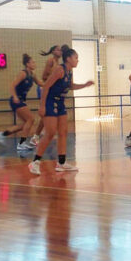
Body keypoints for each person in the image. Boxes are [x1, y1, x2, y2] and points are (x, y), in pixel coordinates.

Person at [29, 45, 94, 175]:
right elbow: (46, 86)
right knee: (50, 133)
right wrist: (42, 106)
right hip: (50, 101)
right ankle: (35, 162)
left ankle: (62, 162)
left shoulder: (69, 71)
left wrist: (85, 85)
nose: (77, 60)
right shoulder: (60, 69)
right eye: (76, 58)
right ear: (68, 58)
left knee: (63, 132)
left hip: (60, 102)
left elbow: (71, 86)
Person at [0, 54, 40, 151]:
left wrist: (53, 81)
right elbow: (12, 85)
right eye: (33, 62)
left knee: (26, 124)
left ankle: (3, 134)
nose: (34, 63)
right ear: (27, 64)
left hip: (21, 100)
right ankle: (21, 144)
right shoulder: (23, 73)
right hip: (16, 100)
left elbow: (41, 84)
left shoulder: (33, 75)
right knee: (31, 119)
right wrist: (15, 96)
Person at [32, 45, 63, 146]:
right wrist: (54, 78)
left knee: (52, 112)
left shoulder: (58, 63)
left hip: (51, 89)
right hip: (44, 88)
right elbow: (44, 76)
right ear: (53, 51)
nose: (60, 51)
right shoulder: (51, 61)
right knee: (46, 113)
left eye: (61, 50)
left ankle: (43, 133)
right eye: (58, 50)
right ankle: (36, 136)